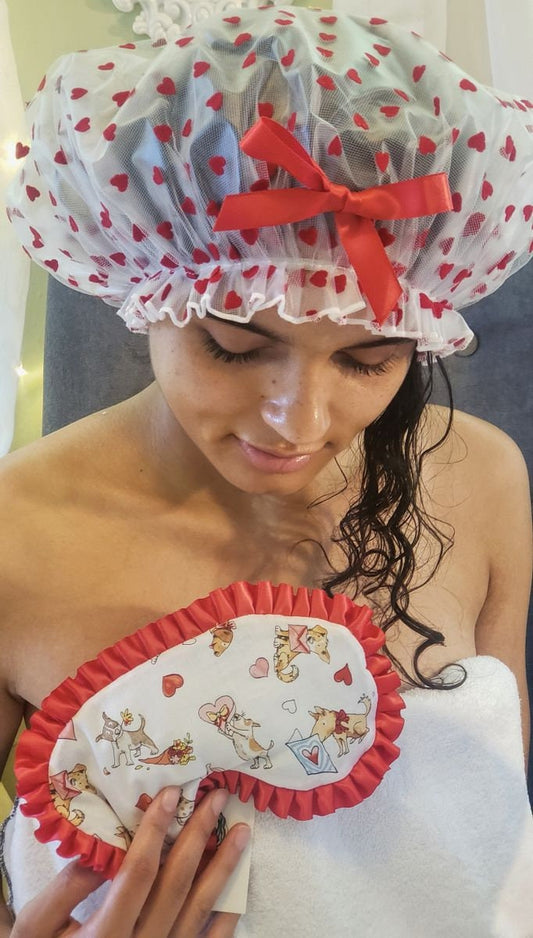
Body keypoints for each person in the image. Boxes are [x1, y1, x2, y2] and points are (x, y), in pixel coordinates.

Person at [1, 5, 533, 936]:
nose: (302, 422)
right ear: (146, 293)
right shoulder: (17, 534)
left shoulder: (482, 478)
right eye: (233, 348)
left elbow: (494, 824)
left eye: (369, 360)